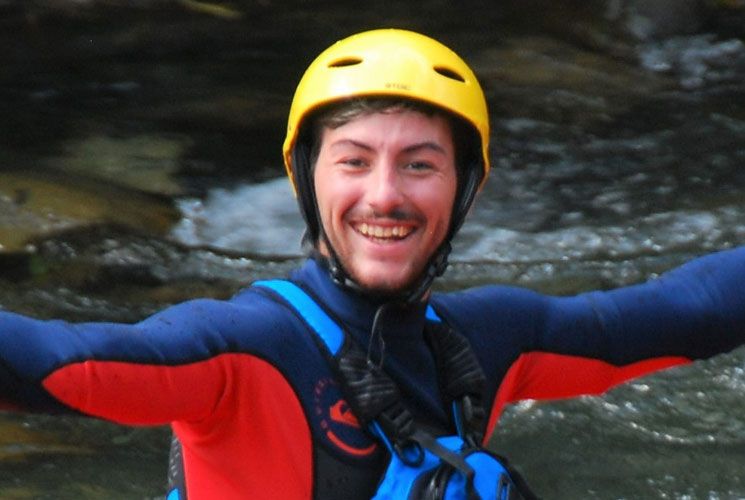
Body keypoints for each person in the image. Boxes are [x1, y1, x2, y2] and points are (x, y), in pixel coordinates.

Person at [1, 28, 745, 499]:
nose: (383, 196)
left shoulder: (491, 340)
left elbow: (689, 310)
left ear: (466, 189)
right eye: (353, 162)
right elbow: (57, 359)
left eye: (419, 165)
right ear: (305, 178)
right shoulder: (240, 351)